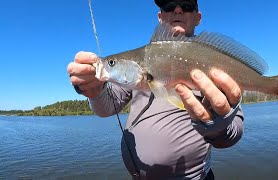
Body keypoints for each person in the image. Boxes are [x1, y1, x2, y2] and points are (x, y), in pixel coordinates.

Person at [67, 0, 244, 179]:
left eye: (187, 6)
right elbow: (106, 108)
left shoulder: (217, 64)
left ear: (198, 18)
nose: (177, 10)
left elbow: (234, 132)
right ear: (160, 17)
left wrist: (218, 130)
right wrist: (94, 90)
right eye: (169, 6)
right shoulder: (138, 73)